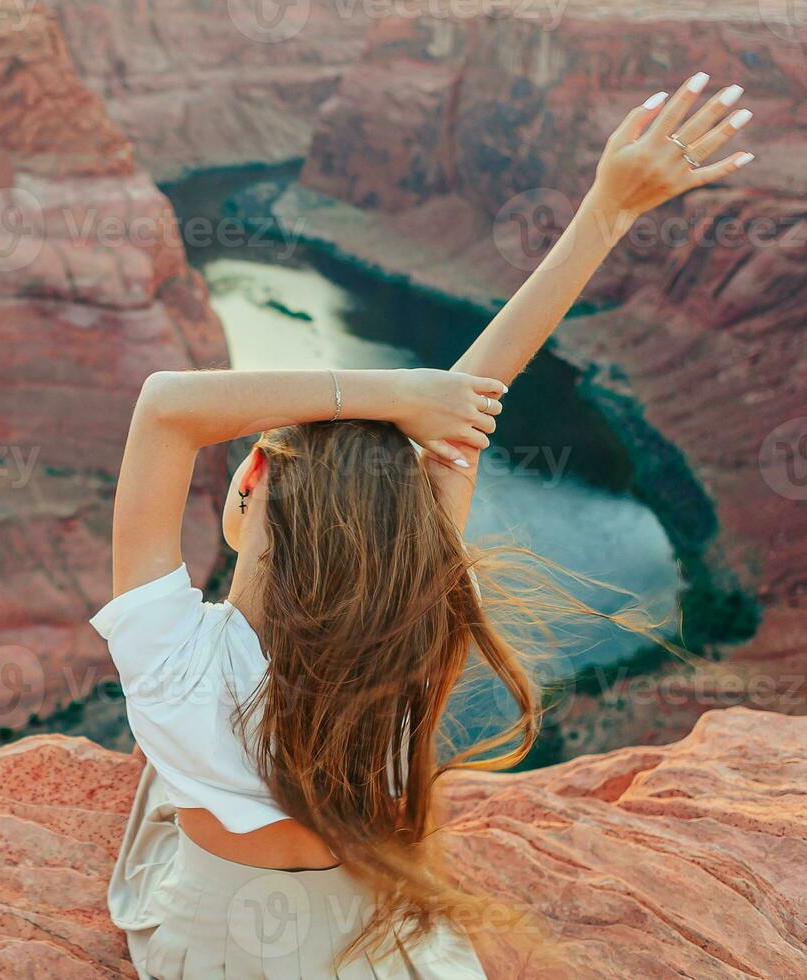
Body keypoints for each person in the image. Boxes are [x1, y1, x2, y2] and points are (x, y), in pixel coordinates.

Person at [94, 73, 753, 978]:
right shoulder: (404, 648)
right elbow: (472, 408)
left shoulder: (167, 658)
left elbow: (166, 405)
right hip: (366, 943)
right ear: (397, 548)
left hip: (214, 949)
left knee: (161, 788)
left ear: (247, 482)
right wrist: (609, 206)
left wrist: (386, 393)